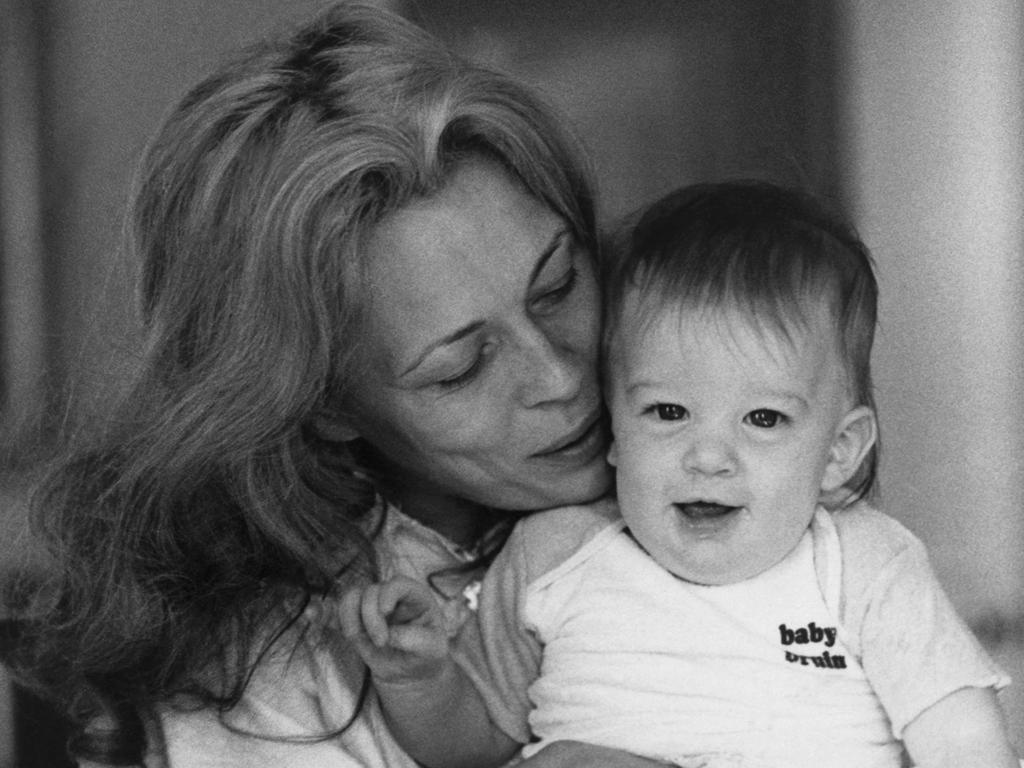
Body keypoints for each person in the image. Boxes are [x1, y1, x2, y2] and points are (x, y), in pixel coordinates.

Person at [2, 4, 669, 767]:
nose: (559, 375)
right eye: (460, 369)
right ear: (322, 409)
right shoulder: (273, 681)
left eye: (556, 285)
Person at [341, 181, 1018, 768]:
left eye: (763, 419)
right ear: (614, 427)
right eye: (669, 411)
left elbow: (961, 744)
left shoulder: (869, 566)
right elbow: (476, 743)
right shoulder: (556, 554)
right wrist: (421, 677)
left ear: (839, 452)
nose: (709, 456)